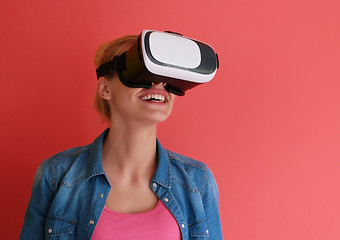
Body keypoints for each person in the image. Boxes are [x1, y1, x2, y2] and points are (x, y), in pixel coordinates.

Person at [20, 33, 222, 239]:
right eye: (142, 73)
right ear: (105, 88)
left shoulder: (198, 181)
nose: (159, 84)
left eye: (168, 78)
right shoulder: (56, 176)